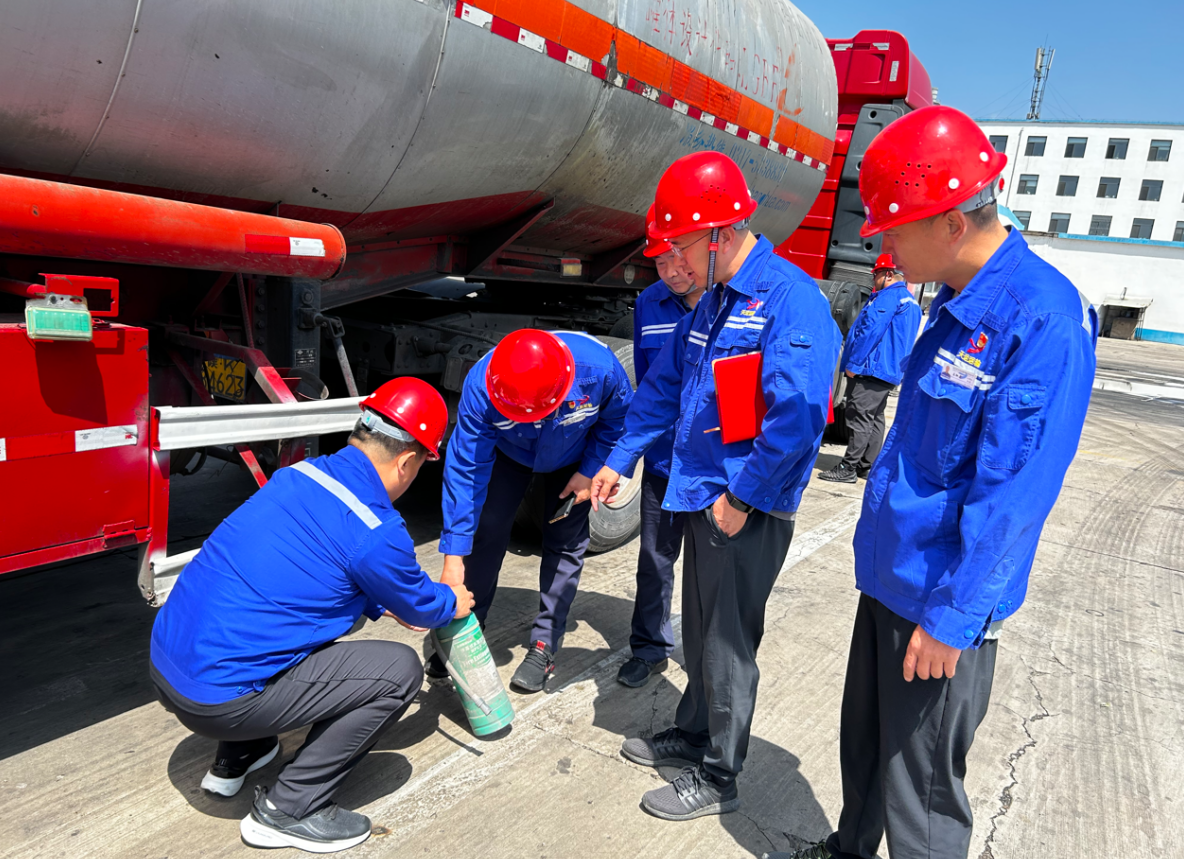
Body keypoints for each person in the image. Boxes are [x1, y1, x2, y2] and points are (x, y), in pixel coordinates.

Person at [769, 106, 1097, 859]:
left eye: (894, 229)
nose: (882, 246)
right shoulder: (954, 299)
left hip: (941, 594)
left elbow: (1014, 497)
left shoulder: (1040, 319)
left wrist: (952, 617)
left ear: (952, 222)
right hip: (894, 573)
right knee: (866, 745)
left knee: (921, 796)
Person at [590, 151, 841, 821]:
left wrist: (743, 498)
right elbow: (666, 387)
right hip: (704, 494)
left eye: (681, 245)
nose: (671, 260)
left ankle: (719, 774)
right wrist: (620, 456)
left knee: (728, 645)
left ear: (722, 233)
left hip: (744, 504)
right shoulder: (713, 304)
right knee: (700, 631)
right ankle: (695, 730)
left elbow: (797, 419)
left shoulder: (789, 300)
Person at [150, 378, 476, 854]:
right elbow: (423, 605)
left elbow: (319, 572)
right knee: (398, 671)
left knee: (294, 615)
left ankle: (242, 753)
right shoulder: (376, 528)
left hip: (167, 666)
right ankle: (289, 809)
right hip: (219, 701)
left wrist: (382, 601)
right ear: (408, 461)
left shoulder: (299, 476)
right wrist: (452, 601)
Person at [435, 328, 633, 693]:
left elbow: (618, 422)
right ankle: (465, 629)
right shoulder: (483, 384)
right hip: (510, 454)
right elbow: (466, 471)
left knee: (564, 540)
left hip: (573, 459)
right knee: (486, 529)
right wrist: (453, 554)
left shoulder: (600, 369)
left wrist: (591, 470)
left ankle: (545, 644)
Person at [617, 206, 704, 688]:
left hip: (713, 467)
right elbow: (649, 387)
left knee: (711, 571)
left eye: (677, 257)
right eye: (659, 262)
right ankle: (649, 648)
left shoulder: (733, 303)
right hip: (664, 462)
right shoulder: (649, 304)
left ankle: (709, 655)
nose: (671, 271)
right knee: (654, 559)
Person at [819, 253, 921, 483]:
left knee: (860, 418)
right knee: (874, 419)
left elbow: (870, 331)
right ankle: (866, 465)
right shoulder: (910, 302)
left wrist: (854, 364)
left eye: (876, 275)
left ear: (888, 275)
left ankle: (848, 467)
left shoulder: (888, 298)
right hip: (888, 371)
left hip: (871, 369)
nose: (873, 280)